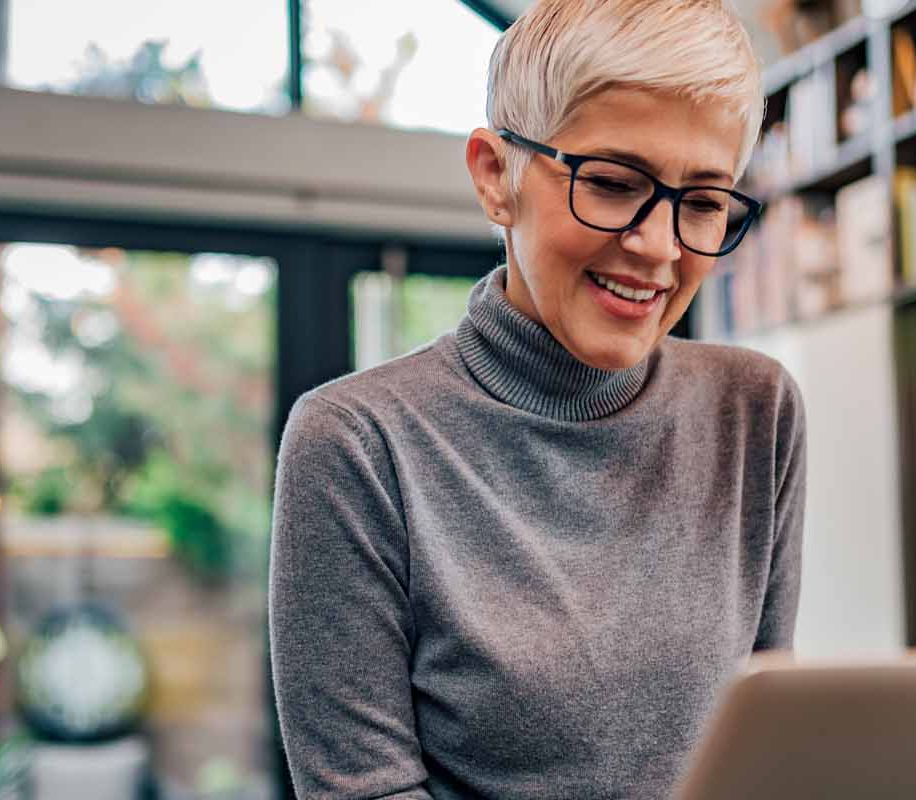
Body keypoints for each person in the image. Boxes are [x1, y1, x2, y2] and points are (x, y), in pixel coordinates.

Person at [269, 1, 806, 797]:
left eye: (701, 202)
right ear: (495, 176)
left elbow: (764, 751)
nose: (658, 249)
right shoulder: (357, 444)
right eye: (616, 184)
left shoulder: (754, 412)